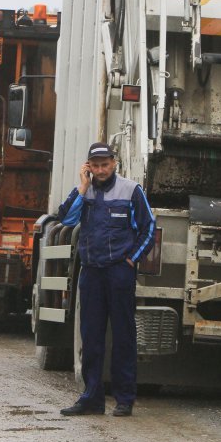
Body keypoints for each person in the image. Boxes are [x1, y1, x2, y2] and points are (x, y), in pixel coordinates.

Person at [57, 142, 155, 418]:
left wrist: (132, 259)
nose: (100, 170)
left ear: (114, 163)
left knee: (124, 336)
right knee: (91, 336)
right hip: (91, 272)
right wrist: (81, 187)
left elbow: (149, 228)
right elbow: (66, 219)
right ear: (88, 166)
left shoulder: (130, 190)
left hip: (119, 272)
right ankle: (92, 399)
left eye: (105, 164)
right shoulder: (84, 191)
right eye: (95, 165)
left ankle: (124, 399)